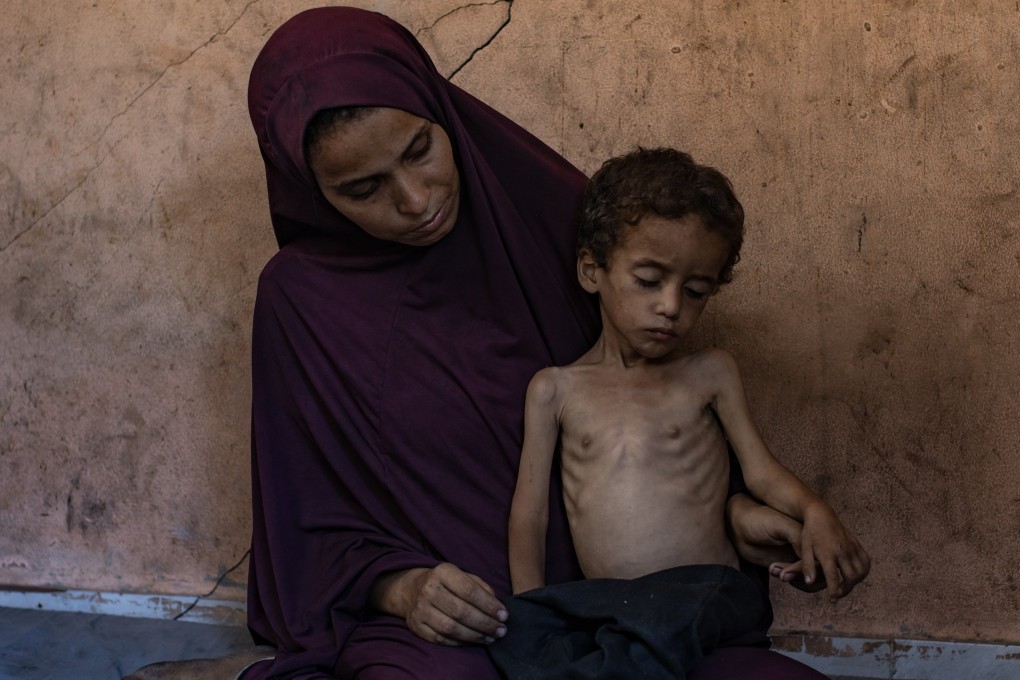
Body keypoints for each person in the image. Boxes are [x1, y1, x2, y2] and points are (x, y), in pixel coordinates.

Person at [125, 7, 867, 680]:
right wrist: (403, 586)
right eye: (363, 189)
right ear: (308, 189)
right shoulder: (303, 302)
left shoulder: (558, 219)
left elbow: (648, 414)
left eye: (420, 148)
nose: (415, 200)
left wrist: (733, 519)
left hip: (640, 616)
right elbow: (310, 530)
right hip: (451, 635)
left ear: (441, 109)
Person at [490, 148, 869, 678]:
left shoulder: (710, 372)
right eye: (650, 280)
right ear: (592, 270)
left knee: (657, 626)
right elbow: (530, 514)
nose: (672, 306)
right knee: (544, 652)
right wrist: (532, 613)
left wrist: (815, 513)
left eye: (696, 291)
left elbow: (759, 471)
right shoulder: (554, 390)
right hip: (616, 607)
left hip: (704, 592)